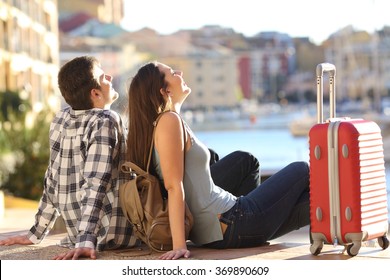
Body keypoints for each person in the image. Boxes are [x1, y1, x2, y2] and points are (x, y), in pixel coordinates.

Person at [126, 61, 310, 260]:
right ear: (165, 91)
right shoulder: (168, 121)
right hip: (231, 221)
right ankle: (253, 229)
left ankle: (255, 232)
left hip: (219, 228)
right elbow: (173, 186)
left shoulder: (166, 122)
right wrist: (179, 245)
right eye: (172, 72)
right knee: (302, 168)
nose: (179, 72)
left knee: (304, 198)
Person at [0, 56, 138, 260]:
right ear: (95, 93)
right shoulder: (105, 120)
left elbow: (52, 177)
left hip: (76, 231)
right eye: (103, 77)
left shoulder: (61, 118)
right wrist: (86, 238)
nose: (109, 76)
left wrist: (37, 232)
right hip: (111, 233)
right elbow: (96, 182)